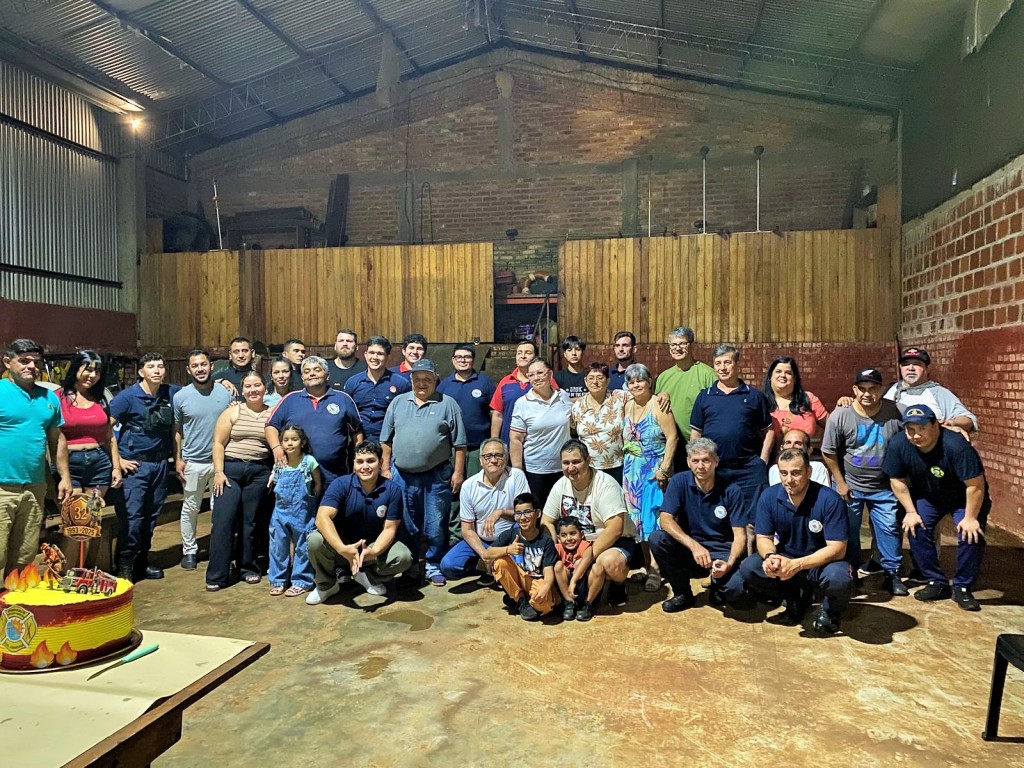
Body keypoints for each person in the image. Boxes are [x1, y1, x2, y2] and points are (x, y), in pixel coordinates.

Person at [727, 449, 851, 634]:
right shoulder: (769, 496)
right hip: (787, 556)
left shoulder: (829, 499)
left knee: (838, 578)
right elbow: (763, 538)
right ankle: (794, 598)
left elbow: (838, 549)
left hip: (822, 562)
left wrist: (798, 565)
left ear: (808, 472)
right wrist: (770, 556)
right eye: (783, 473)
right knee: (750, 567)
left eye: (796, 473)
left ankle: (830, 610)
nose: (789, 480)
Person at [883, 404, 990, 611]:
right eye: (910, 430)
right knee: (915, 527)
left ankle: (963, 586)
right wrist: (911, 511)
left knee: (970, 533)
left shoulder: (956, 446)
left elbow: (975, 485)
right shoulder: (898, 444)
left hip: (964, 497)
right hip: (929, 495)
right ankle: (936, 581)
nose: (916, 435)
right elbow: (896, 479)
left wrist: (970, 517)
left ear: (936, 426)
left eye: (921, 428)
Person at [380, 358, 467, 587]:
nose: (422, 383)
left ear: (435, 380)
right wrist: (385, 468)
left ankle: (433, 565)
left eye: (427, 379)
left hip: (436, 475)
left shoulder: (448, 404)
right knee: (407, 524)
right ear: (411, 380)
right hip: (401, 475)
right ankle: (410, 565)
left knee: (435, 524)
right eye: (417, 379)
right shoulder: (398, 403)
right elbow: (385, 441)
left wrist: (458, 473)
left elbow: (460, 444)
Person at [820, 368, 906, 595]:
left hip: (884, 486)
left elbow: (923, 424)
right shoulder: (841, 415)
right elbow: (828, 452)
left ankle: (892, 573)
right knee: (848, 530)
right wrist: (840, 482)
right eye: (862, 389)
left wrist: (952, 426)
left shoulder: (896, 412)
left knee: (889, 528)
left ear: (881, 390)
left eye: (873, 389)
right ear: (854, 390)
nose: (867, 394)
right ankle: (851, 570)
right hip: (851, 485)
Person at [306, 440, 414, 604]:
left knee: (403, 557)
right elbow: (322, 518)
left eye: (371, 461)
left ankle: (365, 576)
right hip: (342, 547)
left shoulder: (393, 490)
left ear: (380, 462)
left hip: (369, 548)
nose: (365, 466)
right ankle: (327, 585)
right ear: (354, 464)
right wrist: (342, 549)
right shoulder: (340, 484)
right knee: (314, 540)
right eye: (360, 461)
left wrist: (374, 551)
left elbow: (390, 529)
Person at [649, 438, 748, 612]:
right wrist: (694, 546)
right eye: (695, 461)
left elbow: (740, 535)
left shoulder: (732, 489)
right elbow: (665, 519)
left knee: (736, 593)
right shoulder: (679, 482)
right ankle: (682, 594)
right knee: (657, 539)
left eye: (706, 460)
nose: (700, 466)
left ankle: (718, 585)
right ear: (688, 462)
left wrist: (730, 564)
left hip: (721, 551)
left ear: (716, 462)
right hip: (691, 550)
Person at [690, 344, 773, 551]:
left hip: (748, 470)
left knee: (751, 523)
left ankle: (750, 566)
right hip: (716, 470)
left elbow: (770, 431)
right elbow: (696, 434)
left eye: (727, 362)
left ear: (737, 365)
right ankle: (722, 563)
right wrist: (696, 460)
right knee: (718, 518)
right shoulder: (705, 396)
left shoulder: (753, 396)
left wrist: (762, 460)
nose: (723, 368)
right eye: (718, 363)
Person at [541, 440, 636, 620]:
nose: (571, 468)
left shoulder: (605, 485)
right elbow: (546, 520)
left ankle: (617, 584)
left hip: (612, 541)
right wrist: (554, 547)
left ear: (588, 460)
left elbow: (615, 528)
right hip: (575, 543)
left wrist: (586, 557)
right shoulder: (561, 485)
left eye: (576, 462)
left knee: (608, 562)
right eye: (566, 463)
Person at [0, 339, 71, 575]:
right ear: (7, 362)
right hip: (2, 487)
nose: (31, 366)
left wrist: (64, 477)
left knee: (25, 554)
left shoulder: (49, 398)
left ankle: (13, 606)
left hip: (34, 487)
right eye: (24, 361)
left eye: (36, 362)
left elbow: (57, 439)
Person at [109, 352, 181, 581]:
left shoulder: (171, 392)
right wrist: (117, 461)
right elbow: (103, 429)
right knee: (133, 517)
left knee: (151, 516)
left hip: (160, 463)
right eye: (151, 366)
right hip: (135, 465)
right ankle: (125, 565)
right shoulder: (127, 397)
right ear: (141, 371)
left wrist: (222, 382)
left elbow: (197, 392)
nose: (157, 370)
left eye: (160, 366)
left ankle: (142, 562)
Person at [208, 371, 273, 591]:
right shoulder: (232, 412)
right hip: (230, 471)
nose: (253, 390)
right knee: (223, 521)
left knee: (251, 522)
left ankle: (248, 568)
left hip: (259, 471)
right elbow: (218, 442)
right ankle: (217, 574)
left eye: (257, 385)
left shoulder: (272, 414)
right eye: (248, 386)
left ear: (265, 388)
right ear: (242, 390)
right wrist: (219, 472)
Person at [172, 349, 231, 571]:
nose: (200, 369)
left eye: (203, 364)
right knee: (191, 507)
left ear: (211, 366)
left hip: (220, 462)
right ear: (189, 370)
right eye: (195, 366)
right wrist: (178, 458)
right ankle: (189, 550)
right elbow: (177, 430)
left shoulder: (226, 393)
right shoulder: (180, 397)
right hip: (193, 462)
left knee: (219, 509)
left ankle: (217, 548)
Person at [439, 437, 529, 581]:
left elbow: (526, 514)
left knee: (523, 525)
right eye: (488, 456)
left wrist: (501, 512)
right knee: (448, 566)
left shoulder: (516, 476)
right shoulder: (469, 486)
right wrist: (485, 555)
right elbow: (467, 529)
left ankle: (503, 566)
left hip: (510, 538)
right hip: (482, 541)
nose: (493, 460)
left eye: (498, 455)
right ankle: (484, 566)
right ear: (481, 460)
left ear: (506, 459)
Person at [622, 363, 678, 592]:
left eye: (640, 380)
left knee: (654, 520)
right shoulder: (627, 406)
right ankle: (646, 566)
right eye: (631, 381)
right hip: (631, 473)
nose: (636, 385)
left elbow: (673, 438)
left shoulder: (659, 405)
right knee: (638, 523)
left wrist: (664, 469)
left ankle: (657, 569)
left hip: (654, 472)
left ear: (649, 382)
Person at [266, 356, 364, 486]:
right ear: (302, 378)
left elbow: (357, 432)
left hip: (335, 476)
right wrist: (276, 448)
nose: (311, 374)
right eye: (306, 372)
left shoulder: (343, 399)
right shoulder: (290, 399)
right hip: (296, 475)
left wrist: (359, 461)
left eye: (317, 370)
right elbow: (270, 426)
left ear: (327, 375)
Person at [437, 343, 496, 536]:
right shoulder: (444, 385)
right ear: (453, 360)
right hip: (451, 449)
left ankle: (478, 534)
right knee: (454, 491)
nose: (463, 360)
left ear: (473, 360)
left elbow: (495, 413)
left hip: (477, 448)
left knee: (476, 492)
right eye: (459, 357)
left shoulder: (485, 383)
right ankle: (456, 536)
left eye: (467, 357)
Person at [482, 492, 558, 621]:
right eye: (518, 513)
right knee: (500, 562)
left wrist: (546, 587)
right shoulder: (510, 534)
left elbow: (548, 570)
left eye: (527, 512)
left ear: (538, 513)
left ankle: (516, 599)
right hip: (517, 576)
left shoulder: (546, 541)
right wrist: (508, 549)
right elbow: (487, 554)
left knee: (545, 606)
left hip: (534, 580)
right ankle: (520, 600)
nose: (522, 518)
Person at [57, 350, 121, 499]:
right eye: (89, 369)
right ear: (75, 369)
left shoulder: (100, 398)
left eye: (97, 372)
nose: (93, 376)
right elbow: (52, 436)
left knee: (92, 514)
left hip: (99, 463)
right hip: (68, 463)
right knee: (74, 515)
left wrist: (116, 467)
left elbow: (109, 436)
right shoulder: (57, 397)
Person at [510, 357, 573, 505]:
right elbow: (515, 439)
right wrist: (518, 471)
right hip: (536, 471)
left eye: (540, 373)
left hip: (563, 468)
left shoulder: (562, 396)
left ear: (550, 374)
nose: (536, 378)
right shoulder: (522, 403)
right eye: (531, 375)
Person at [267, 426, 321, 597]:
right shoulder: (279, 463)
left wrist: (313, 500)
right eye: (286, 440)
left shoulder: (309, 461)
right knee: (278, 546)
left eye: (294, 439)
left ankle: (301, 581)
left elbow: (318, 483)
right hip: (280, 512)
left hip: (302, 512)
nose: (290, 443)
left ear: (302, 442)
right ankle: (278, 580)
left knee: (302, 546)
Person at [655, 326, 716, 471]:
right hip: (671, 448)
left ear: (692, 345)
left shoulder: (707, 374)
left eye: (682, 343)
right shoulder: (663, 378)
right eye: (673, 345)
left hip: (699, 447)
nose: (678, 348)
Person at [885, 348, 978, 433]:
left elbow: (968, 420)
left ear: (927, 368)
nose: (910, 368)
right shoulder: (891, 389)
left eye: (917, 364)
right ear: (900, 367)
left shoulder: (939, 393)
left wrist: (952, 423)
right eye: (906, 364)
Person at [570, 362, 631, 484]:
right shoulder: (578, 406)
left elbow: (642, 395)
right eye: (591, 378)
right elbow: (573, 433)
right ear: (585, 381)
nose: (595, 382)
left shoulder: (620, 397)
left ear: (608, 381)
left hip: (617, 466)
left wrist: (662, 395)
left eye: (600, 378)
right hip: (588, 467)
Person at [344, 336, 411, 444]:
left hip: (390, 444)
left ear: (388, 357)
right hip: (359, 445)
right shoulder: (352, 383)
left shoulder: (402, 384)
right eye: (371, 353)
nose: (374, 357)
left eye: (380, 354)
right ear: (365, 355)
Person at [490, 340, 556, 443]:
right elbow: (498, 414)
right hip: (510, 442)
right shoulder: (505, 382)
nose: (523, 356)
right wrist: (494, 440)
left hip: (539, 443)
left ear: (535, 357)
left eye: (528, 353)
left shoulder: (545, 380)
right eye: (519, 353)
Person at [763, 356, 829, 444]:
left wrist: (842, 405)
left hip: (802, 456)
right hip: (769, 457)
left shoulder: (808, 399)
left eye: (788, 373)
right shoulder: (761, 402)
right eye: (778, 371)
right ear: (770, 376)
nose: (783, 375)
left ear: (794, 378)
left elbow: (833, 427)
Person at [553, 516, 592, 620]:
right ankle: (569, 603)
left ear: (582, 534)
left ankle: (586, 605)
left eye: (573, 533)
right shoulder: (557, 548)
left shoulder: (585, 545)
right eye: (564, 535)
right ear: (558, 538)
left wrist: (573, 582)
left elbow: (586, 560)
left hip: (581, 587)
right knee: (557, 566)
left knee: (582, 563)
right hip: (565, 590)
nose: (569, 539)